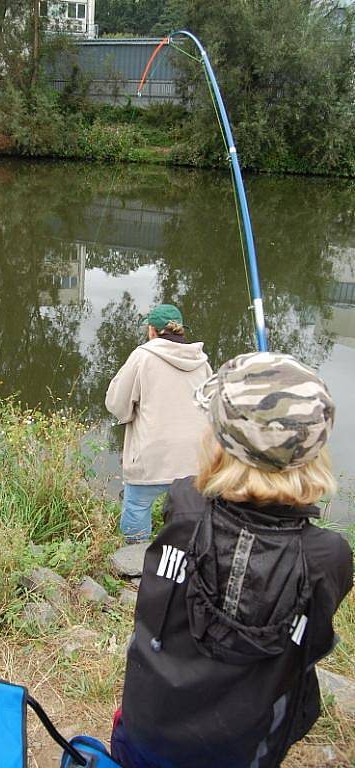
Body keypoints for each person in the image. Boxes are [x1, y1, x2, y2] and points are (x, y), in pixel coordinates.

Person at [111, 352, 353, 768]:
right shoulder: (327, 556)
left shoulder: (185, 503)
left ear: (219, 444)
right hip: (244, 750)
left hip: (145, 731)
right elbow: (312, 643)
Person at [105, 304, 212, 543]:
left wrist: (129, 415)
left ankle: (135, 562)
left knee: (137, 505)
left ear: (152, 330)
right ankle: (185, 563)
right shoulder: (202, 362)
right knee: (191, 514)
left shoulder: (143, 356)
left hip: (153, 455)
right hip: (195, 459)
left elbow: (116, 403)